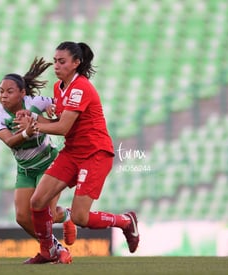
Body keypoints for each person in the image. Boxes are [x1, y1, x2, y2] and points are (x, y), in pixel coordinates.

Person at [18, 41, 140, 262]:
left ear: (76, 63)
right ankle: (48, 251)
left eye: (62, 61)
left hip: (95, 153)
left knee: (80, 217)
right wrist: (33, 118)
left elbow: (62, 128)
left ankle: (125, 221)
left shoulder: (81, 87)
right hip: (72, 152)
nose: (56, 65)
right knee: (37, 202)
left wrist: (34, 127)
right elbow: (58, 122)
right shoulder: (59, 87)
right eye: (55, 61)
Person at [0, 57, 76, 264]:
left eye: (10, 91)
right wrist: (28, 131)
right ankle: (54, 246)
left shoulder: (36, 103)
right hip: (26, 170)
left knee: (44, 213)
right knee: (22, 217)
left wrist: (53, 110)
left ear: (22, 93)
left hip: (49, 164)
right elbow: (10, 141)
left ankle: (64, 222)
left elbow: (63, 113)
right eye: (1, 91)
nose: (3, 95)